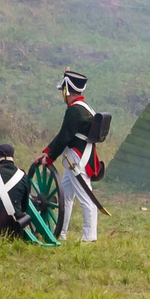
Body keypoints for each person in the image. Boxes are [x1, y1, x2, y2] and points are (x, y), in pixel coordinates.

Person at [37, 70, 106, 243]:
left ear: (67, 90)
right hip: (78, 156)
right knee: (66, 197)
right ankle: (61, 232)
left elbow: (64, 137)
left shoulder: (74, 111)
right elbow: (65, 134)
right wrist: (47, 150)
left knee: (86, 198)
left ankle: (89, 237)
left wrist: (49, 158)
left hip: (77, 158)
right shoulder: (84, 107)